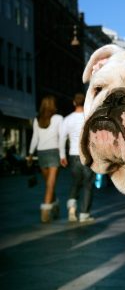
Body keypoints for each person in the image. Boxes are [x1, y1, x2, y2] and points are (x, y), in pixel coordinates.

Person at [59, 93, 95, 223]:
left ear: (74, 103)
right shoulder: (89, 117)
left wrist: (62, 156)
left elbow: (62, 138)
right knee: (88, 184)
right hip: (87, 155)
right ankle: (84, 214)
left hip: (73, 155)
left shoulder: (67, 119)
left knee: (75, 183)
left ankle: (71, 209)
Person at [28, 95, 63, 223]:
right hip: (54, 152)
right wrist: (63, 155)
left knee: (49, 184)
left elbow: (34, 139)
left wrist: (31, 154)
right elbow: (61, 138)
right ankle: (46, 211)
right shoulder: (59, 118)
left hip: (41, 153)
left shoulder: (37, 119)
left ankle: (54, 206)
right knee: (50, 184)